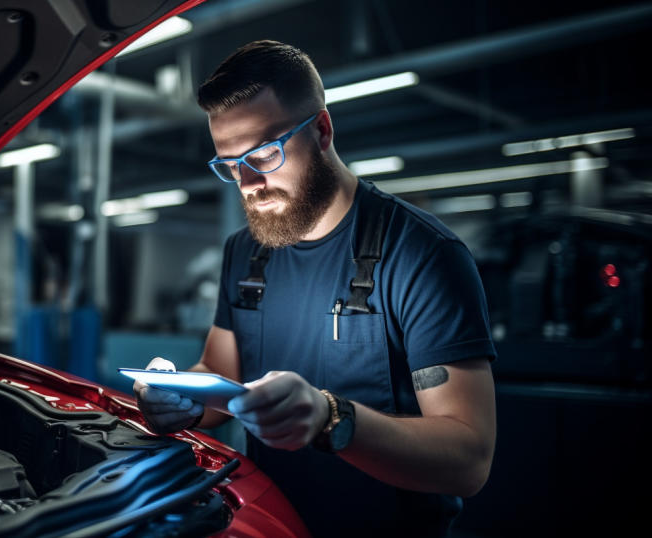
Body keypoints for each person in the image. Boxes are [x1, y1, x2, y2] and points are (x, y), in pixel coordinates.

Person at [133, 40, 497, 537]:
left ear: (322, 130)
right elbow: (220, 373)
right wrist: (183, 399)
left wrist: (332, 418)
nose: (247, 183)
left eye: (263, 154)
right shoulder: (245, 252)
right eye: (229, 165)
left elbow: (468, 460)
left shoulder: (423, 254)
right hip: (270, 524)